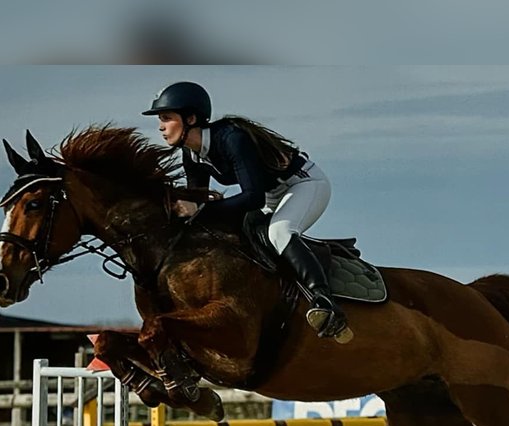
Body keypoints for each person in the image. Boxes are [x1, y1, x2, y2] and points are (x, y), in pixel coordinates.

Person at [142, 81, 353, 344]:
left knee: (280, 231)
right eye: (160, 120)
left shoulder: (232, 139)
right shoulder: (192, 154)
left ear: (191, 118)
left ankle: (324, 301)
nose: (161, 127)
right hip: (271, 194)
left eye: (166, 118)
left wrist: (202, 210)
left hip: (304, 184)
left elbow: (252, 198)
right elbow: (197, 203)